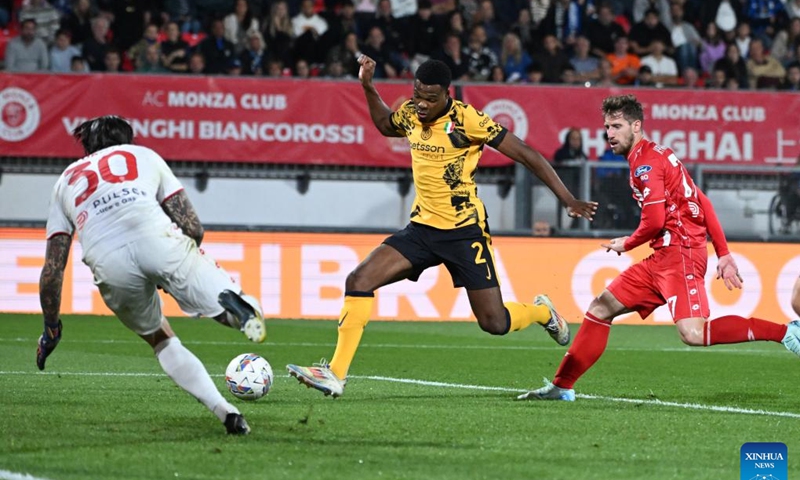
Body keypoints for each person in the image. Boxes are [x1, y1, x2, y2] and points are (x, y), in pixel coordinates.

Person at [286, 57, 598, 398]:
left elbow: (525, 153)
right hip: (421, 230)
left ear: (446, 94)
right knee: (358, 280)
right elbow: (384, 125)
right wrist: (367, 86)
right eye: (417, 93)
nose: (421, 103)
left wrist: (567, 199)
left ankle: (541, 311)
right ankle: (336, 373)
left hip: (465, 232)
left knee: (494, 323)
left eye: (430, 98)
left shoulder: (467, 120)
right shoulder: (410, 112)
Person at [517, 94, 800, 402]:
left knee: (693, 333)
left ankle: (787, 333)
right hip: (663, 256)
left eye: (617, 126)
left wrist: (626, 243)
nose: (609, 134)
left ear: (636, 126)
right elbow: (702, 201)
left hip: (681, 254)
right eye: (607, 127)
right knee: (601, 308)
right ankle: (562, 387)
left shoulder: (645, 165)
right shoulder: (660, 154)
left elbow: (653, 221)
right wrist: (723, 253)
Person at [36, 116, 268, 434]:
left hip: (108, 262)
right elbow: (192, 226)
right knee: (230, 301)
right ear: (127, 139)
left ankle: (227, 413)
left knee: (161, 340)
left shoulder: (65, 180)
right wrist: (177, 270)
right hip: (158, 240)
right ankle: (233, 309)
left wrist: (51, 328)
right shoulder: (144, 156)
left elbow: (52, 270)